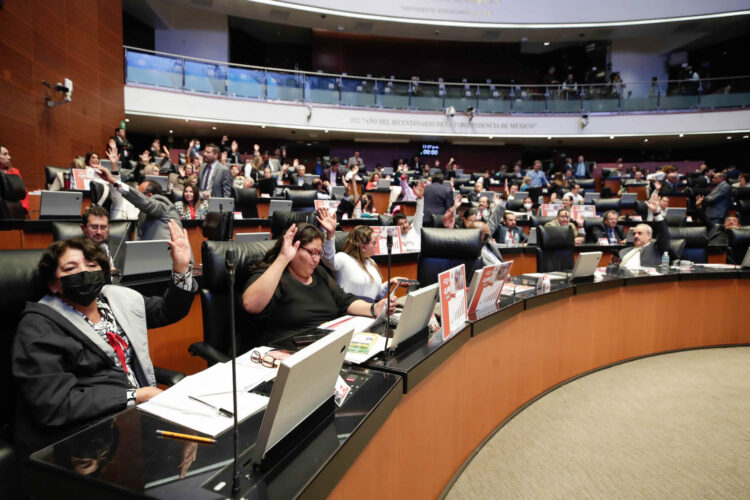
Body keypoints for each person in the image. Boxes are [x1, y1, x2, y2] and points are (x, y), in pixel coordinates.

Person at [12, 224, 196, 456]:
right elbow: (53, 404)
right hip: (82, 438)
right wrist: (136, 395)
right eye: (71, 268)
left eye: (91, 266)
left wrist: (181, 268)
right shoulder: (39, 324)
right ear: (53, 284)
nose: (84, 272)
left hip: (133, 420)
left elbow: (169, 310)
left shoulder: (114, 300)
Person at [241, 223, 396, 346]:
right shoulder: (274, 276)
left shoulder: (319, 273)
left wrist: (374, 308)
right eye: (311, 252)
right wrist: (283, 258)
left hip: (326, 345)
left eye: (319, 253)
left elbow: (344, 300)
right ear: (293, 248)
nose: (316, 259)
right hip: (288, 352)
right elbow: (251, 305)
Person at [318, 214, 408, 301]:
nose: (376, 245)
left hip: (370, 309)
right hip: (349, 309)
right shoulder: (343, 258)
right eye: (373, 243)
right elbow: (328, 259)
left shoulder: (371, 262)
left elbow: (376, 295)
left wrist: (390, 282)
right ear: (363, 246)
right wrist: (330, 235)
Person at [95, 166, 182, 241]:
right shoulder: (145, 212)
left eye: (139, 193)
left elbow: (145, 202)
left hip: (171, 254)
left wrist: (113, 180)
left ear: (149, 195)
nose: (137, 195)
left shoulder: (162, 204)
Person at [618, 194, 671, 269]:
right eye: (634, 234)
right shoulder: (625, 251)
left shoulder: (656, 249)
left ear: (649, 236)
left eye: (640, 233)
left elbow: (664, 234)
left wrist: (656, 213)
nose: (636, 236)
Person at [392, 183, 425, 252]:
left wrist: (420, 198)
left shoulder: (415, 228)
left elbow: (419, 213)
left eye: (406, 222)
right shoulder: (395, 238)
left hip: (418, 257)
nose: (405, 225)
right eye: (401, 224)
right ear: (396, 227)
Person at [0, 144, 30, 213]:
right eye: (5, 154)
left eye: (8, 154)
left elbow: (23, 191)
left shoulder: (15, 172)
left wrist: (24, 207)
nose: (9, 157)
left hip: (15, 211)